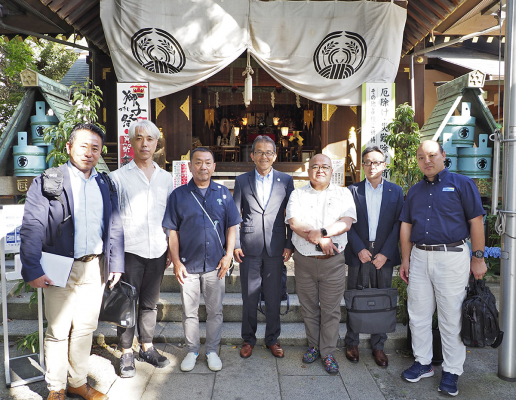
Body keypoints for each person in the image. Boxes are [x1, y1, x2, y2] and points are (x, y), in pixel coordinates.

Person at [20, 123, 124, 400]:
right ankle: (56, 387)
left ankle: (78, 382)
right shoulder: (50, 180)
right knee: (58, 330)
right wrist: (32, 267)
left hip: (95, 267)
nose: (89, 153)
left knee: (85, 329)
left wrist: (115, 263)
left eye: (95, 148)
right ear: (69, 147)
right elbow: (32, 225)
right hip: (59, 267)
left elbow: (114, 225)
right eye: (83, 146)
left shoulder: (105, 183)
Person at [399, 140, 487, 397]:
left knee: (451, 317)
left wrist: (478, 258)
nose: (426, 160)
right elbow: (406, 225)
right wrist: (405, 259)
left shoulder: (462, 184)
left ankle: (452, 370)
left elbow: (476, 221)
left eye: (432, 155)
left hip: (452, 256)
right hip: (419, 257)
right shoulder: (414, 191)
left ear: (443, 155)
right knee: (418, 314)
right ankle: (423, 362)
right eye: (421, 157)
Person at [163, 147, 242, 372]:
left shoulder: (223, 193)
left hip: (216, 264)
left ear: (214, 166)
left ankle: (212, 350)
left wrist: (228, 255)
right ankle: (192, 350)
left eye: (208, 162)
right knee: (189, 311)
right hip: (188, 264)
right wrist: (176, 262)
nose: (203, 167)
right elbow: (172, 231)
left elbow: (232, 226)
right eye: (198, 162)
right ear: (190, 166)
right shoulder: (178, 195)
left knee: (215, 311)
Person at [109, 120, 174, 378]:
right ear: (131, 142)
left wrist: (170, 248)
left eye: (149, 139)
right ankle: (126, 352)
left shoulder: (166, 178)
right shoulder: (118, 177)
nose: (144, 143)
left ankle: (147, 346)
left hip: (157, 248)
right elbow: (112, 219)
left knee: (150, 303)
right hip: (130, 250)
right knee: (126, 302)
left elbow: (169, 217)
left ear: (157, 143)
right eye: (139, 138)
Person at [286, 154, 356, 375]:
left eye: (324, 166)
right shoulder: (297, 194)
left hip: (333, 261)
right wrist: (321, 240)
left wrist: (323, 233)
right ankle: (313, 346)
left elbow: (346, 223)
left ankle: (328, 352)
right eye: (315, 166)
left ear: (331, 170)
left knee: (331, 309)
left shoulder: (343, 193)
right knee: (308, 307)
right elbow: (295, 223)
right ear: (308, 171)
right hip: (304, 260)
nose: (320, 170)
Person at [233, 135, 294, 359]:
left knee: (274, 295)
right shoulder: (242, 180)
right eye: (259, 152)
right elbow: (235, 215)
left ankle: (272, 339)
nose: (264, 156)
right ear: (252, 155)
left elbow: (291, 215)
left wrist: (289, 244)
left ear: (275, 156)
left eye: (268, 152)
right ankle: (248, 339)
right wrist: (235, 244)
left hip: (276, 247)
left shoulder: (286, 180)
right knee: (249, 296)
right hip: (249, 247)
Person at [344, 146, 404, 367]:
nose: (372, 166)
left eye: (377, 162)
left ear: (384, 165)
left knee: (383, 298)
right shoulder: (352, 191)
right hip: (358, 252)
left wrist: (386, 253)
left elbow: (399, 224)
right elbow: (346, 223)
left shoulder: (395, 191)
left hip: (383, 255)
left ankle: (379, 345)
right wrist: (359, 248)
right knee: (355, 297)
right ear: (362, 165)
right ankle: (352, 342)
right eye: (368, 162)